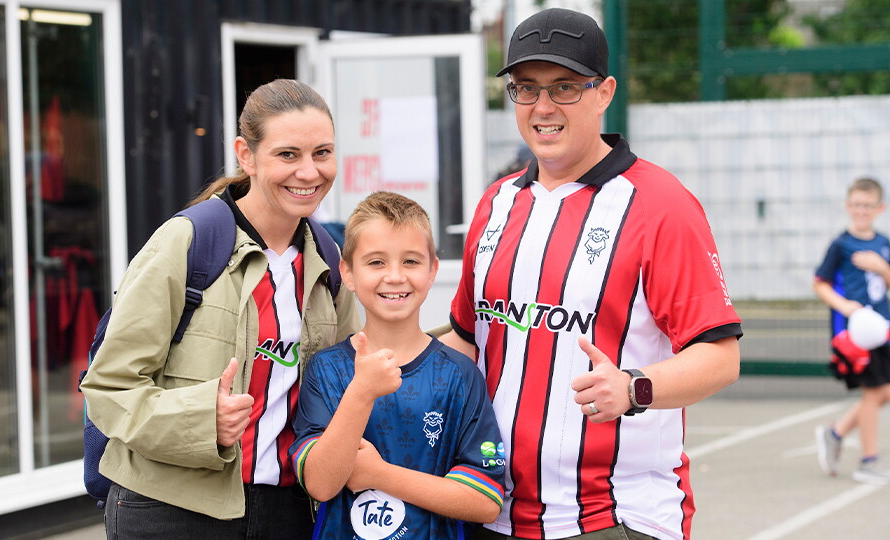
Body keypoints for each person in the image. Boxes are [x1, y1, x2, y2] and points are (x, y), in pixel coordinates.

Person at [439, 8, 742, 540]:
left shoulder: (660, 205)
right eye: (525, 89)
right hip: (490, 510)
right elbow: (470, 338)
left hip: (615, 517)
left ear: (604, 93)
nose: (543, 107)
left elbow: (719, 357)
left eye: (564, 88)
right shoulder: (497, 202)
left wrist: (633, 387)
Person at [80, 79, 361, 539]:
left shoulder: (327, 260)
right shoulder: (187, 243)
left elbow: (345, 380)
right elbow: (109, 387)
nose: (309, 172)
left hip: (288, 511)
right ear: (246, 155)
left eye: (323, 153)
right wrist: (198, 418)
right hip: (170, 512)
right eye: (288, 154)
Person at [289, 191, 505, 539]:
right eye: (376, 262)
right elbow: (320, 483)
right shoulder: (326, 370)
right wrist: (362, 391)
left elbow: (485, 499)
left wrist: (379, 475)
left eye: (411, 261)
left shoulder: (459, 375)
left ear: (433, 269)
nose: (394, 276)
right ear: (348, 272)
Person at [813, 177, 890, 485]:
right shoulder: (841, 244)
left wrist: (881, 267)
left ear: (879, 208)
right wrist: (845, 307)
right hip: (856, 333)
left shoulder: (883, 243)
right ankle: (868, 460)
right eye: (856, 205)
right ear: (848, 206)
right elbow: (819, 283)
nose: (861, 210)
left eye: (867, 205)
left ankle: (835, 433)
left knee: (884, 392)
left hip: (881, 328)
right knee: (872, 394)